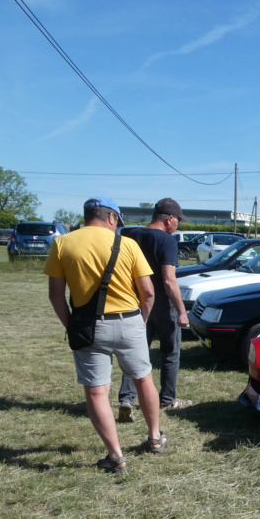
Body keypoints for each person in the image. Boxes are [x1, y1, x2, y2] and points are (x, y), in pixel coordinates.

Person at [45, 196, 167, 473]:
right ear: (112, 217)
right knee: (143, 380)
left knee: (97, 392)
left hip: (88, 327)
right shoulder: (127, 244)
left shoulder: (62, 243)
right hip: (130, 322)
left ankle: (116, 456)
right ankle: (155, 438)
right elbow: (148, 292)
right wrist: (140, 321)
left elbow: (55, 295)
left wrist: (71, 325)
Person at [117, 198, 191, 422]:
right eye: (178, 220)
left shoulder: (130, 236)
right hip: (161, 303)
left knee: (135, 352)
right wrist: (181, 310)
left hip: (135, 303)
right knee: (170, 353)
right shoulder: (167, 241)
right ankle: (167, 399)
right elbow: (169, 280)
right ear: (169, 219)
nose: (178, 224)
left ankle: (126, 399)